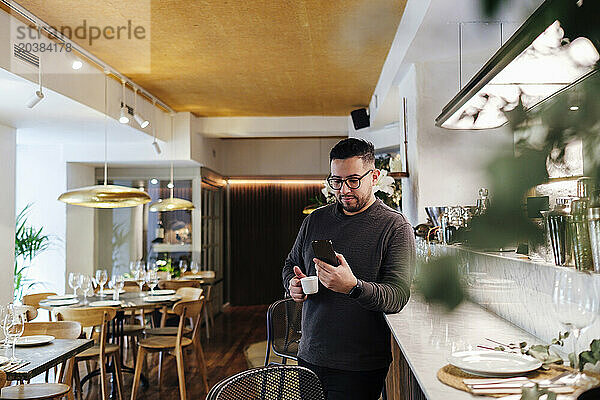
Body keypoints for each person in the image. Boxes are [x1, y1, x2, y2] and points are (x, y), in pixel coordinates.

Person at [282, 138, 415, 400]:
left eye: (353, 180)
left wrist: (353, 287)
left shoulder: (395, 227)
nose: (343, 190)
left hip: (360, 365)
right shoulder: (315, 220)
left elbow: (398, 296)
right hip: (310, 355)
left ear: (374, 176)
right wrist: (292, 285)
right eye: (336, 181)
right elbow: (290, 265)